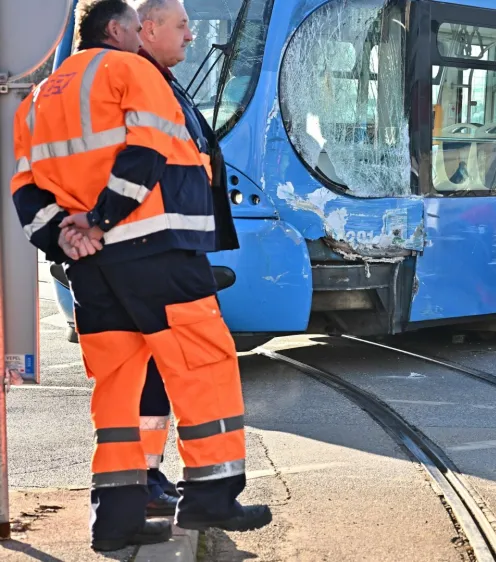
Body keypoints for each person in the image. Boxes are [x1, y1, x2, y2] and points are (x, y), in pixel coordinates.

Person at [8, 0, 270, 552]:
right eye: (136, 29)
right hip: (158, 253)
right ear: (118, 30)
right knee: (204, 365)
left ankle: (117, 520)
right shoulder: (131, 70)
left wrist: (68, 235)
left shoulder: (35, 100)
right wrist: (101, 218)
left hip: (91, 269)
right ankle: (212, 496)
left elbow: (25, 191)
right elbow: (147, 152)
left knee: (117, 392)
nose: (142, 39)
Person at [130, 0, 242, 516]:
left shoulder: (159, 79)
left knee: (159, 368)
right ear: (147, 29)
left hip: (170, 244)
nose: (192, 36)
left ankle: (146, 478)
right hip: (158, 248)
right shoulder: (142, 80)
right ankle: (172, 485)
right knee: (185, 366)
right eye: (182, 25)